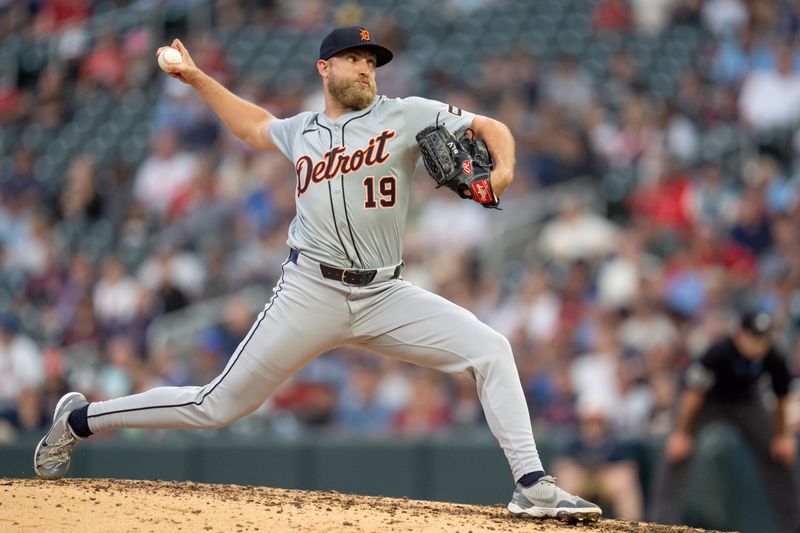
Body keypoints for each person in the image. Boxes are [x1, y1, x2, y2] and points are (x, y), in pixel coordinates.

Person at [33, 26, 601, 522]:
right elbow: (256, 127)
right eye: (356, 59)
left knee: (491, 349)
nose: (367, 68)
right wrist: (198, 78)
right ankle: (81, 420)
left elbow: (491, 125)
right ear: (325, 68)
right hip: (310, 290)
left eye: (373, 61)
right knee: (217, 406)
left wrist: (499, 174)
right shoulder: (301, 130)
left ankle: (532, 486)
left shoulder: (406, 114)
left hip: (384, 292)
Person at [650, 311, 800, 531]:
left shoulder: (773, 356)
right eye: (753, 337)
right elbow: (693, 395)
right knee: (677, 452)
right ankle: (659, 525)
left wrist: (781, 435)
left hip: (746, 402)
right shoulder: (719, 352)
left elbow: (781, 398)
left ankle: (793, 525)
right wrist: (681, 433)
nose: (759, 344)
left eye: (763, 338)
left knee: (779, 455)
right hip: (707, 402)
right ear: (740, 335)